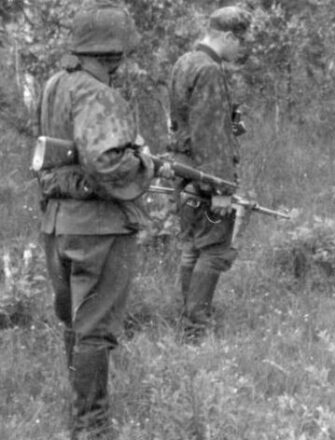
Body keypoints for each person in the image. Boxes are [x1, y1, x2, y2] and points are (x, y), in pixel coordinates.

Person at [36, 1, 154, 437]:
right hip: (98, 228)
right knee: (95, 331)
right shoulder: (97, 92)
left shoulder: (55, 85)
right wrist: (145, 164)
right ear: (114, 52)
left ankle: (80, 418)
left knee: (75, 323)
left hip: (58, 223)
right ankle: (92, 428)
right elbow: (107, 164)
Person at [168, 6, 251, 341]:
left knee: (192, 247)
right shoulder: (211, 70)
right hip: (206, 174)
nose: (240, 50)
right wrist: (221, 187)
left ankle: (188, 321)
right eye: (240, 43)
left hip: (184, 169)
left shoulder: (184, 62)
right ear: (229, 36)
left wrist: (231, 123)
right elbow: (209, 134)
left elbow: (186, 122)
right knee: (214, 250)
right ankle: (195, 328)